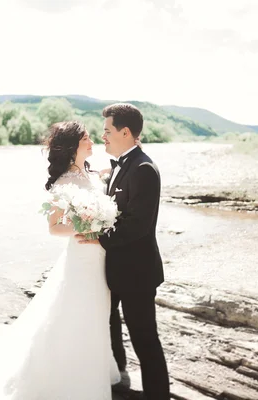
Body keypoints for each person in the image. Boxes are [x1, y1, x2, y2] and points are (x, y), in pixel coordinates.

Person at [0, 120, 120, 399]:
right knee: (77, 315)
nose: (92, 142)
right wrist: (88, 226)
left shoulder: (93, 175)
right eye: (87, 138)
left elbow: (106, 193)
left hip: (101, 258)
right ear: (72, 146)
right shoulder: (64, 183)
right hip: (80, 261)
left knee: (97, 316)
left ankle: (93, 371)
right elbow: (55, 228)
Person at [77, 103, 170, 400]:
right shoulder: (120, 166)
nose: (103, 136)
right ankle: (119, 374)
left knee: (145, 340)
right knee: (110, 323)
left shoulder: (143, 168)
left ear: (125, 132)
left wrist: (97, 239)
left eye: (107, 130)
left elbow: (137, 226)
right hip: (116, 269)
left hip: (138, 273)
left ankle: (158, 395)